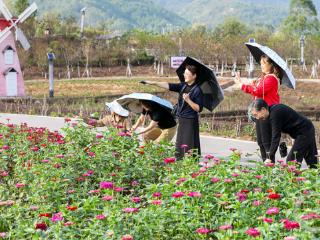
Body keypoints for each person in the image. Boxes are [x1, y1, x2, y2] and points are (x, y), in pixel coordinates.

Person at [142, 64, 204, 159]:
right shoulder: (183, 86)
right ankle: (179, 163)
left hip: (190, 121)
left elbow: (198, 109)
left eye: (187, 73)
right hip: (182, 119)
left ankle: (191, 164)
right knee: (180, 144)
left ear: (194, 76)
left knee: (189, 144)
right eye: (184, 73)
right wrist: (152, 82)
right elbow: (168, 85)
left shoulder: (197, 90)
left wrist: (188, 100)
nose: (184, 75)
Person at [234, 54, 282, 163]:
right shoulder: (264, 78)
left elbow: (258, 91)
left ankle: (270, 164)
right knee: (261, 141)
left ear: (271, 65)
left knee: (266, 142)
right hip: (260, 112)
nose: (262, 66)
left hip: (267, 113)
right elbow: (257, 91)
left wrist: (241, 85)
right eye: (260, 63)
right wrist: (249, 84)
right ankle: (266, 162)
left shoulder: (271, 79)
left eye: (264, 63)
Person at [250, 99, 318, 169]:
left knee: (292, 160)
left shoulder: (275, 113)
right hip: (303, 131)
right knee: (312, 161)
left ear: (263, 109)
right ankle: (316, 177)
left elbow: (275, 136)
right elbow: (269, 137)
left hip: (304, 131)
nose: (257, 118)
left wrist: (270, 157)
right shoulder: (269, 114)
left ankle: (293, 179)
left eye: (256, 114)